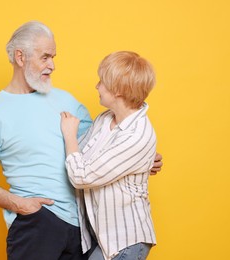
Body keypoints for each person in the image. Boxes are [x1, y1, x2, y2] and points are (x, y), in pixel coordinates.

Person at [0, 21, 163, 260]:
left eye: (53, 57)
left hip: (84, 229)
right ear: (20, 57)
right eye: (45, 57)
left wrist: (142, 158)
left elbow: (105, 145)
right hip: (38, 223)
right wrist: (21, 205)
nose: (52, 65)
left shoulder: (67, 101)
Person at [60, 51, 159, 260]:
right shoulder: (106, 119)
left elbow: (81, 176)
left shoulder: (138, 134)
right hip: (104, 237)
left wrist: (70, 135)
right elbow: (82, 159)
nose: (97, 86)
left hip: (125, 240)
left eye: (102, 82)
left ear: (118, 91)